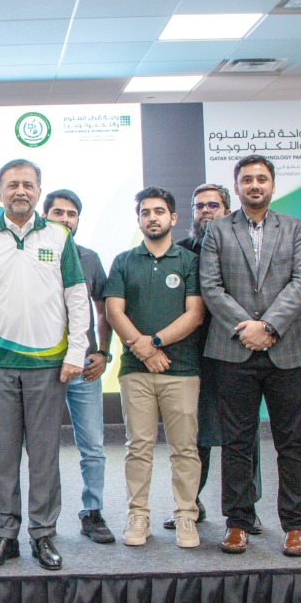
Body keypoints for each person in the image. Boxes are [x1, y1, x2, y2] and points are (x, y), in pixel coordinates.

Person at [0, 159, 90, 571]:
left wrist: (75, 352)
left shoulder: (59, 236)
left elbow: (76, 297)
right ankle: (5, 534)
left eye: (28, 185)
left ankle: (43, 533)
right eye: (12, 184)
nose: (21, 191)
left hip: (48, 366)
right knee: (3, 454)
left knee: (44, 454)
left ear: (39, 191)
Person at [200, 154, 301, 557]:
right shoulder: (217, 229)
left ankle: (296, 525)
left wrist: (268, 327)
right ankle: (237, 522)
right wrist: (247, 327)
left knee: (292, 442)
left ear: (272, 185)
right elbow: (211, 286)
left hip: (287, 348)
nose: (254, 185)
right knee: (236, 442)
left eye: (261, 179)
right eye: (247, 179)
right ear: (237, 186)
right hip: (234, 350)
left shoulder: (296, 228)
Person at [105, 187, 205, 548]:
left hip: (182, 370)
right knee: (138, 446)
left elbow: (195, 314)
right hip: (135, 369)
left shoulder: (189, 262)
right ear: (139, 219)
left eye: (159, 211)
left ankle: (186, 517)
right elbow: (114, 311)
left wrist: (156, 342)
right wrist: (144, 351)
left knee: (184, 448)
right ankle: (138, 515)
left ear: (173, 218)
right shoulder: (123, 260)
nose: (152, 217)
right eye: (145, 212)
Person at [172, 183, 264, 535]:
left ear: (228, 209)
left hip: (239, 352)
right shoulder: (181, 252)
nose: (206, 211)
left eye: (214, 204)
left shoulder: (244, 248)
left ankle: (246, 509)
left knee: (244, 434)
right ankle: (189, 504)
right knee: (192, 435)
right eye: (199, 206)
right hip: (194, 355)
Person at [43, 189, 115, 544]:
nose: (66, 219)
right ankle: (45, 519)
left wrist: (103, 352)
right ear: (46, 217)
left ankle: (93, 511)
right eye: (58, 212)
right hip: (44, 367)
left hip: (84, 367)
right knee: (45, 447)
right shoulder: (33, 257)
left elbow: (103, 310)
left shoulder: (89, 258)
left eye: (72, 214)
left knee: (93, 446)